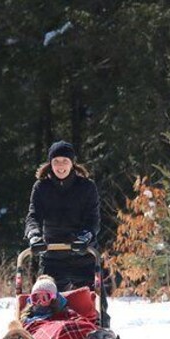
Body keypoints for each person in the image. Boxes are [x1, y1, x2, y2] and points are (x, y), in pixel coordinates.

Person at [24, 140, 110, 328]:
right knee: (44, 303)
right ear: (50, 164)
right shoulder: (41, 188)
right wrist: (34, 236)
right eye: (56, 162)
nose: (60, 166)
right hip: (52, 256)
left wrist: (85, 237)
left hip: (83, 256)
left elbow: (93, 220)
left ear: (72, 163)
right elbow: (33, 216)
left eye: (64, 161)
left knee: (95, 305)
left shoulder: (87, 187)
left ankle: (102, 338)